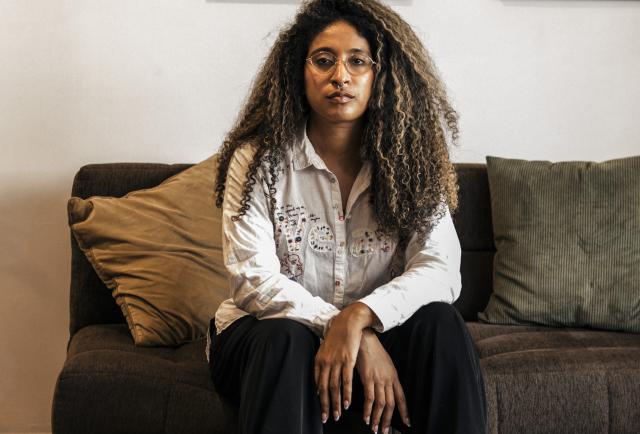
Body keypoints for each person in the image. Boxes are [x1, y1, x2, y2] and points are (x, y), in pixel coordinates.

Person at [206, 1, 487, 433]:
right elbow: (252, 279)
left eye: (358, 61)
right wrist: (338, 326)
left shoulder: (414, 163)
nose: (340, 75)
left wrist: (361, 317)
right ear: (298, 72)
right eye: (324, 60)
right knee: (284, 338)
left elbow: (440, 269)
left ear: (381, 74)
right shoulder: (258, 160)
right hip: (267, 340)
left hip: (380, 328)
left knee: (441, 325)